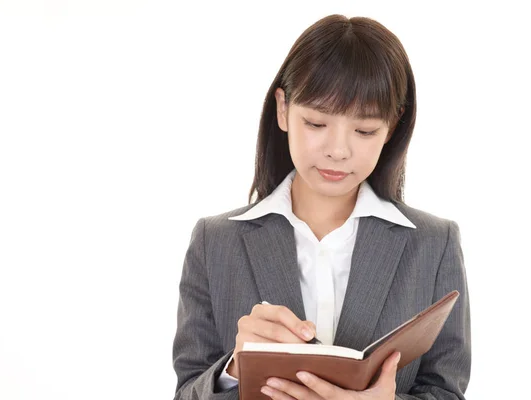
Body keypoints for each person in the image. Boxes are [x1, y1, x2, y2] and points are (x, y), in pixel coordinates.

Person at [172, 13, 471, 400]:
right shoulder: (215, 242)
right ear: (283, 109)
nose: (338, 150)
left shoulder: (434, 244)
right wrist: (234, 369)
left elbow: (447, 392)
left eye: (364, 131)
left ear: (392, 127)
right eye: (316, 123)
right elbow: (186, 392)